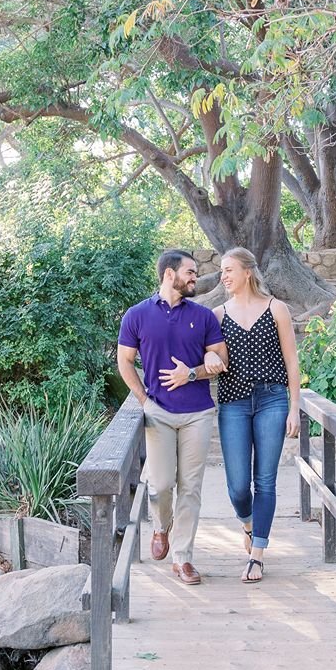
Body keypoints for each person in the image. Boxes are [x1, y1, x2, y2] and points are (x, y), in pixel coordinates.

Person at [117, 250, 228, 587]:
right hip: (159, 414)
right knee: (162, 484)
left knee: (190, 487)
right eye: (190, 272)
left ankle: (183, 558)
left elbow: (220, 360)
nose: (196, 277)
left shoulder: (204, 316)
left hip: (198, 413)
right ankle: (161, 527)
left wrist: (192, 373)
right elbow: (125, 362)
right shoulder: (136, 315)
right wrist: (144, 399)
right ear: (169, 274)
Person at [208, 248, 301, 583]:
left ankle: (257, 554)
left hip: (272, 400)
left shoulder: (277, 309)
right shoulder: (217, 315)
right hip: (233, 402)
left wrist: (294, 407)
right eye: (221, 271)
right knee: (236, 487)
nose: (223, 276)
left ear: (248, 271)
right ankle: (248, 523)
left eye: (229, 269)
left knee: (265, 480)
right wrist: (207, 360)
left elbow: (292, 362)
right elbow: (209, 355)